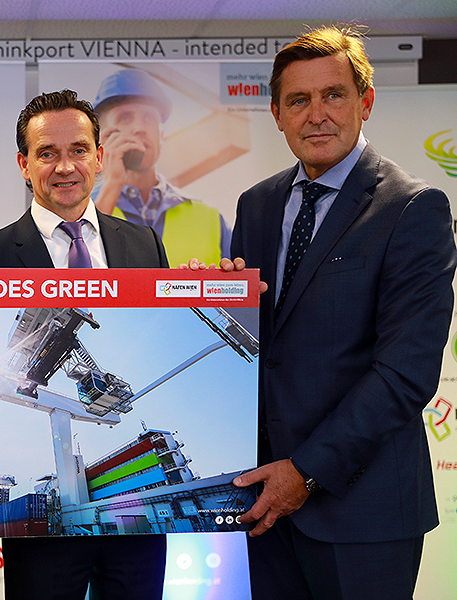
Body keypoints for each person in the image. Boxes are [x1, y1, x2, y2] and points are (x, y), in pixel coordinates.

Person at [225, 25, 457, 600]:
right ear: (277, 114)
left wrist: (303, 472)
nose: (317, 114)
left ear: (366, 102)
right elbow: (269, 349)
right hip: (264, 508)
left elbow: (404, 373)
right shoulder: (256, 204)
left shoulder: (413, 208)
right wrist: (218, 303)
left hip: (364, 512)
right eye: (298, 101)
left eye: (334, 95)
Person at [0, 90, 168, 600]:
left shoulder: (144, 244)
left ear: (97, 157)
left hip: (135, 529)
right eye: (47, 153)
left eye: (78, 150)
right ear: (24, 165)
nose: (64, 166)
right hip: (45, 537)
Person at [91, 69, 231, 266]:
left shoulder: (210, 219)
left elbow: (238, 290)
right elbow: (77, 275)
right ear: (102, 140)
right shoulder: (80, 210)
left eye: (149, 118)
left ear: (161, 135)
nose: (140, 128)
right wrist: (112, 183)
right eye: (124, 118)